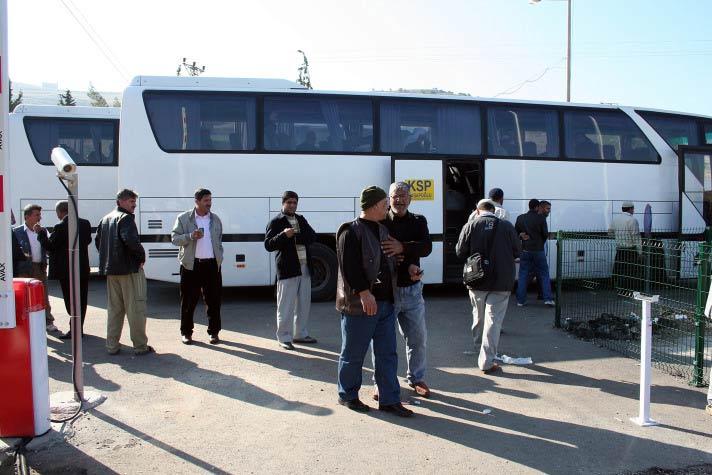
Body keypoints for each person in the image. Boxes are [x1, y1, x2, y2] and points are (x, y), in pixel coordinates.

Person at [336, 186, 413, 417]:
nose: (388, 206)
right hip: (361, 305)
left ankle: (390, 399)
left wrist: (409, 268)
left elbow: (391, 260)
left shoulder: (382, 229)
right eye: (384, 203)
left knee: (388, 354)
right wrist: (364, 293)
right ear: (374, 205)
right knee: (353, 353)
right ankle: (347, 395)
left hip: (386, 305)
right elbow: (348, 267)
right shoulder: (349, 231)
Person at [377, 181, 432, 399]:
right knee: (383, 341)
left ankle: (417, 378)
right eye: (395, 196)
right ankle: (380, 382)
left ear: (410, 199)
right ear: (388, 199)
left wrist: (404, 249)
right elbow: (374, 250)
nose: (399, 199)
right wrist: (397, 258)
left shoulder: (419, 221)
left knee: (418, 339)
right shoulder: (380, 222)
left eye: (403, 195)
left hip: (412, 290)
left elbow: (426, 247)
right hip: (386, 291)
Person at [456, 199, 520, 373]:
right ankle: (486, 360)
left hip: (476, 279)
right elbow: (517, 251)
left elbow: (460, 251)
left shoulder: (470, 225)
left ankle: (478, 348)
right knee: (493, 320)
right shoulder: (507, 226)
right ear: (494, 210)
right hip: (502, 280)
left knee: (478, 314)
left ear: (477, 211)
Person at [96, 189, 153, 356]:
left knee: (115, 310)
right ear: (120, 201)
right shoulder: (126, 218)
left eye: (134, 201)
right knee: (136, 308)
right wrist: (141, 257)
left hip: (111, 270)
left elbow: (98, 242)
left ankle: (112, 345)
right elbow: (131, 241)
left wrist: (109, 260)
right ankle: (140, 346)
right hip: (129, 270)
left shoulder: (105, 218)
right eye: (130, 201)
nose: (134, 204)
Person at [264, 191, 318, 350]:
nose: (292, 205)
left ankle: (300, 334)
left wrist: (294, 237)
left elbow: (312, 236)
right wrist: (283, 235)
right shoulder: (276, 222)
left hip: (304, 268)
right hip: (288, 269)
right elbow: (269, 245)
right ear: (283, 203)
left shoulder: (301, 219)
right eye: (289, 202)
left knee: (303, 304)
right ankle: (284, 337)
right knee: (285, 305)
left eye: (295, 202)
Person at [171, 188, 224, 345]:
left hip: (212, 265)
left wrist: (219, 255)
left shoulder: (215, 219)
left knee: (214, 301)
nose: (209, 203)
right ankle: (186, 333)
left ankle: (214, 333)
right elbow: (174, 239)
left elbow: (219, 239)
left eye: (210, 200)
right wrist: (190, 236)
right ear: (197, 201)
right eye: (206, 200)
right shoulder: (184, 218)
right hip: (191, 266)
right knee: (188, 302)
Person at [42, 200, 92, 339]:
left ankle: (74, 329)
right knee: (81, 299)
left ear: (60, 211)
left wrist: (41, 234)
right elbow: (87, 241)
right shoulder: (85, 223)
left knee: (70, 300)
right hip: (82, 268)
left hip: (67, 270)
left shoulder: (60, 226)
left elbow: (50, 246)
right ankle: (78, 328)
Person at [13, 204, 56, 332]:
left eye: (39, 215)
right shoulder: (17, 232)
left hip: (40, 267)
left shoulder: (43, 231)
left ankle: (48, 321)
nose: (39, 218)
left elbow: (49, 248)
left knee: (43, 295)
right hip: (24, 268)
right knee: (24, 296)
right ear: (27, 216)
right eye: (36, 215)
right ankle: (23, 322)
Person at [515, 199, 555, 307]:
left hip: (525, 250)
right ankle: (548, 299)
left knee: (523, 275)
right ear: (537, 207)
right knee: (544, 274)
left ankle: (520, 301)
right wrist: (539, 241)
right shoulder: (541, 218)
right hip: (538, 250)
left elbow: (516, 232)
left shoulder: (520, 218)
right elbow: (545, 234)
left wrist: (521, 236)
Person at [608, 201, 643, 292]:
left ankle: (619, 288)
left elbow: (610, 233)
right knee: (630, 271)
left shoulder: (615, 219)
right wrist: (640, 252)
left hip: (620, 250)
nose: (633, 211)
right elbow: (636, 237)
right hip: (630, 250)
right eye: (633, 209)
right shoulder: (632, 220)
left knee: (619, 270)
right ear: (630, 209)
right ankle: (629, 290)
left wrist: (618, 238)